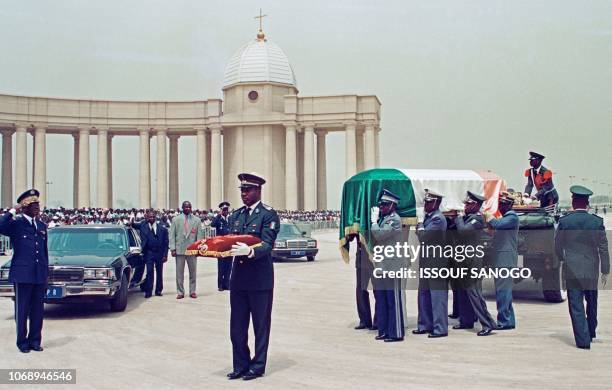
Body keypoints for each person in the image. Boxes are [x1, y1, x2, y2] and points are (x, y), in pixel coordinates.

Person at [226, 173, 280, 381]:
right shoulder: (236, 215)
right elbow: (229, 240)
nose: (244, 194)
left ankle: (257, 366)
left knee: (260, 326)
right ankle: (240, 364)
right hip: (239, 279)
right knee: (237, 327)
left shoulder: (268, 214)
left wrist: (250, 251)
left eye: (248, 190)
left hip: (259, 280)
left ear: (258, 191)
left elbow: (268, 243)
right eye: (242, 190)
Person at [555, 185, 610, 349]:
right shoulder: (596, 222)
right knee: (592, 302)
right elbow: (603, 248)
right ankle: (591, 332)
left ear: (573, 202)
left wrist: (563, 260)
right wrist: (605, 270)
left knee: (576, 305)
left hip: (572, 268)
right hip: (591, 268)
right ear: (587, 203)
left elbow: (557, 246)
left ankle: (583, 340)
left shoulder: (565, 222)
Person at [0, 189, 48, 353]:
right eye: (33, 205)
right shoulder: (16, 224)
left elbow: (44, 253)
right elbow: (0, 226)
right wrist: (13, 210)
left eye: (38, 205)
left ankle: (35, 341)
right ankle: (22, 342)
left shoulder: (41, 225)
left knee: (37, 310)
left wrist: (45, 275)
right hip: (23, 275)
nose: (37, 208)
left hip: (39, 274)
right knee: (22, 310)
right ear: (24, 207)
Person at [452, 191, 496, 336]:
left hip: (472, 262)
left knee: (474, 293)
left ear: (476, 205)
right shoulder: (468, 217)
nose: (465, 206)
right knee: (464, 293)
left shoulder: (477, 219)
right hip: (463, 261)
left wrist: (458, 218)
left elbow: (463, 232)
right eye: (465, 203)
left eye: (468, 204)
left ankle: (487, 324)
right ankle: (466, 320)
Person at [413, 189, 449, 338]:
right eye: (425, 202)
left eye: (428, 202)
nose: (425, 205)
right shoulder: (430, 218)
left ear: (436, 203)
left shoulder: (438, 219)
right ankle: (424, 325)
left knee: (437, 296)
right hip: (427, 261)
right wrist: (421, 227)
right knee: (424, 294)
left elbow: (423, 237)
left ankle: (440, 328)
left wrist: (420, 224)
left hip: (437, 262)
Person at [371, 189, 405, 342]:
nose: (382, 207)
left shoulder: (394, 220)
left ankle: (396, 333)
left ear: (392, 205)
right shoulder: (384, 220)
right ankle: (384, 330)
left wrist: (373, 222)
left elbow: (379, 235)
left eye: (385, 205)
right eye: (381, 205)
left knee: (394, 301)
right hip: (383, 265)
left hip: (393, 266)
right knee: (383, 299)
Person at [485, 194, 519, 330]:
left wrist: (489, 217)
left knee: (502, 291)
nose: (501, 207)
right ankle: (509, 321)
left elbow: (496, 224)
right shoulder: (506, 218)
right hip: (502, 259)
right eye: (500, 204)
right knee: (505, 292)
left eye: (503, 204)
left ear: (510, 205)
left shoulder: (512, 218)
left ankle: (504, 321)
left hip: (505, 260)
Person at [169, 201, 203, 299]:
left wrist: (198, 249)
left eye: (189, 207)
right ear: (182, 208)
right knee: (179, 273)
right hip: (179, 250)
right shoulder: (176, 219)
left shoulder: (197, 220)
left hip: (192, 250)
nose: (187, 208)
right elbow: (172, 235)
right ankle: (180, 292)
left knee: (193, 272)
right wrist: (172, 248)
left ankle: (192, 291)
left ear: (191, 208)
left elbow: (199, 236)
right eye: (185, 207)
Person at [134, 209, 169, 298]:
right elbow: (133, 225)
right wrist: (130, 222)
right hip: (149, 252)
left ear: (156, 217)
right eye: (150, 217)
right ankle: (148, 291)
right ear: (147, 218)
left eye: (153, 216)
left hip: (159, 253)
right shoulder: (143, 226)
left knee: (159, 272)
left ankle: (158, 290)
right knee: (149, 272)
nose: (152, 218)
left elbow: (166, 243)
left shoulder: (162, 228)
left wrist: (165, 255)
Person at [349, 232, 377, 331]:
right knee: (361, 290)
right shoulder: (357, 217)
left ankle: (378, 321)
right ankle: (364, 320)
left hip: (374, 257)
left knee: (378, 291)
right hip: (361, 257)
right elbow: (350, 237)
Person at [211, 201, 232, 291]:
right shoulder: (218, 219)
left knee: (229, 266)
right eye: (224, 209)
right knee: (221, 266)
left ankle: (227, 284)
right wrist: (218, 215)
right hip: (221, 246)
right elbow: (212, 225)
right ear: (221, 210)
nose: (226, 211)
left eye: (227, 209)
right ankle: (220, 285)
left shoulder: (230, 219)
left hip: (230, 245)